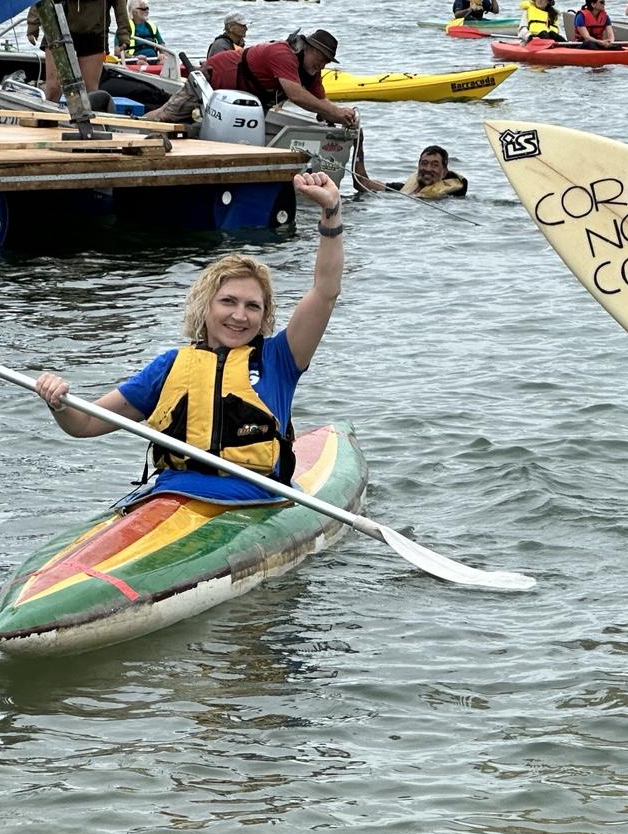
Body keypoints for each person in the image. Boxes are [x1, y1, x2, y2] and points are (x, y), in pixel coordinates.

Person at [31, 172, 344, 509]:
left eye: (252, 306)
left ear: (264, 315)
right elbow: (85, 423)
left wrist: (332, 214)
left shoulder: (280, 358)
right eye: (228, 302)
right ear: (205, 306)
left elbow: (325, 292)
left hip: (251, 502)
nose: (240, 316)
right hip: (169, 500)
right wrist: (58, 403)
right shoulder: (170, 367)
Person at [144, 29, 358, 128]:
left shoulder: (311, 70)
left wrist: (340, 117)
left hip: (241, 103)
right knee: (167, 116)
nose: (322, 65)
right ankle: (138, 125)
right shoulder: (282, 54)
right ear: (308, 48)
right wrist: (334, 112)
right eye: (320, 58)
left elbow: (321, 102)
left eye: (327, 62)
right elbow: (296, 95)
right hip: (211, 81)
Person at [26, 0, 131, 102]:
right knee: (53, 88)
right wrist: (33, 23)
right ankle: (46, 118)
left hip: (94, 31)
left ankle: (84, 119)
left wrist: (123, 33)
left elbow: (120, 3)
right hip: (57, 27)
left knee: (90, 93)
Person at [352, 135, 469, 199]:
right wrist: (358, 144)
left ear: (444, 172)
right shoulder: (403, 189)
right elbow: (362, 183)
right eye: (424, 163)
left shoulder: (452, 195)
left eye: (434, 165)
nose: (428, 169)